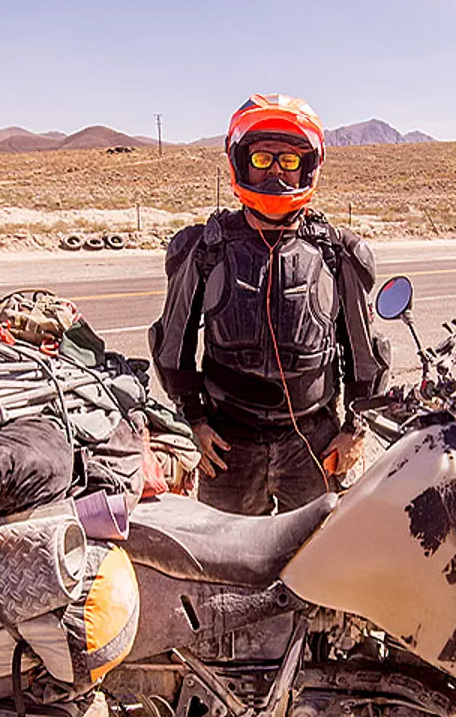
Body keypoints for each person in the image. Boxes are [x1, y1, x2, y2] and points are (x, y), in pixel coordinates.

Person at [149, 94, 388, 515]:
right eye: (262, 159)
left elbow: (364, 356)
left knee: (316, 559)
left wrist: (355, 429)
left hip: (312, 442)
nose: (276, 171)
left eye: (289, 161)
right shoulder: (205, 250)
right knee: (227, 561)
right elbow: (173, 349)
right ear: (240, 162)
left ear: (308, 167)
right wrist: (194, 422)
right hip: (227, 443)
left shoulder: (337, 254)